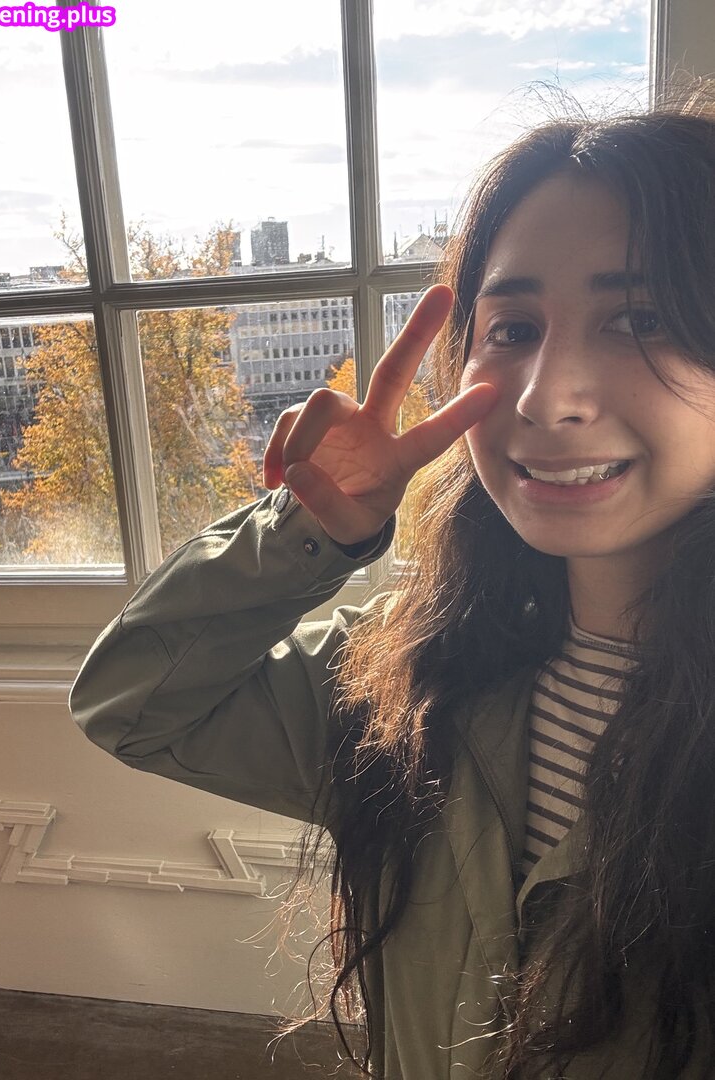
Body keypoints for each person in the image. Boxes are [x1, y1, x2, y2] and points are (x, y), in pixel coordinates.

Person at [68, 82, 715, 1079]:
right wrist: (307, 533)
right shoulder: (407, 677)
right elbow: (134, 705)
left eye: (639, 317)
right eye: (513, 329)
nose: (548, 397)